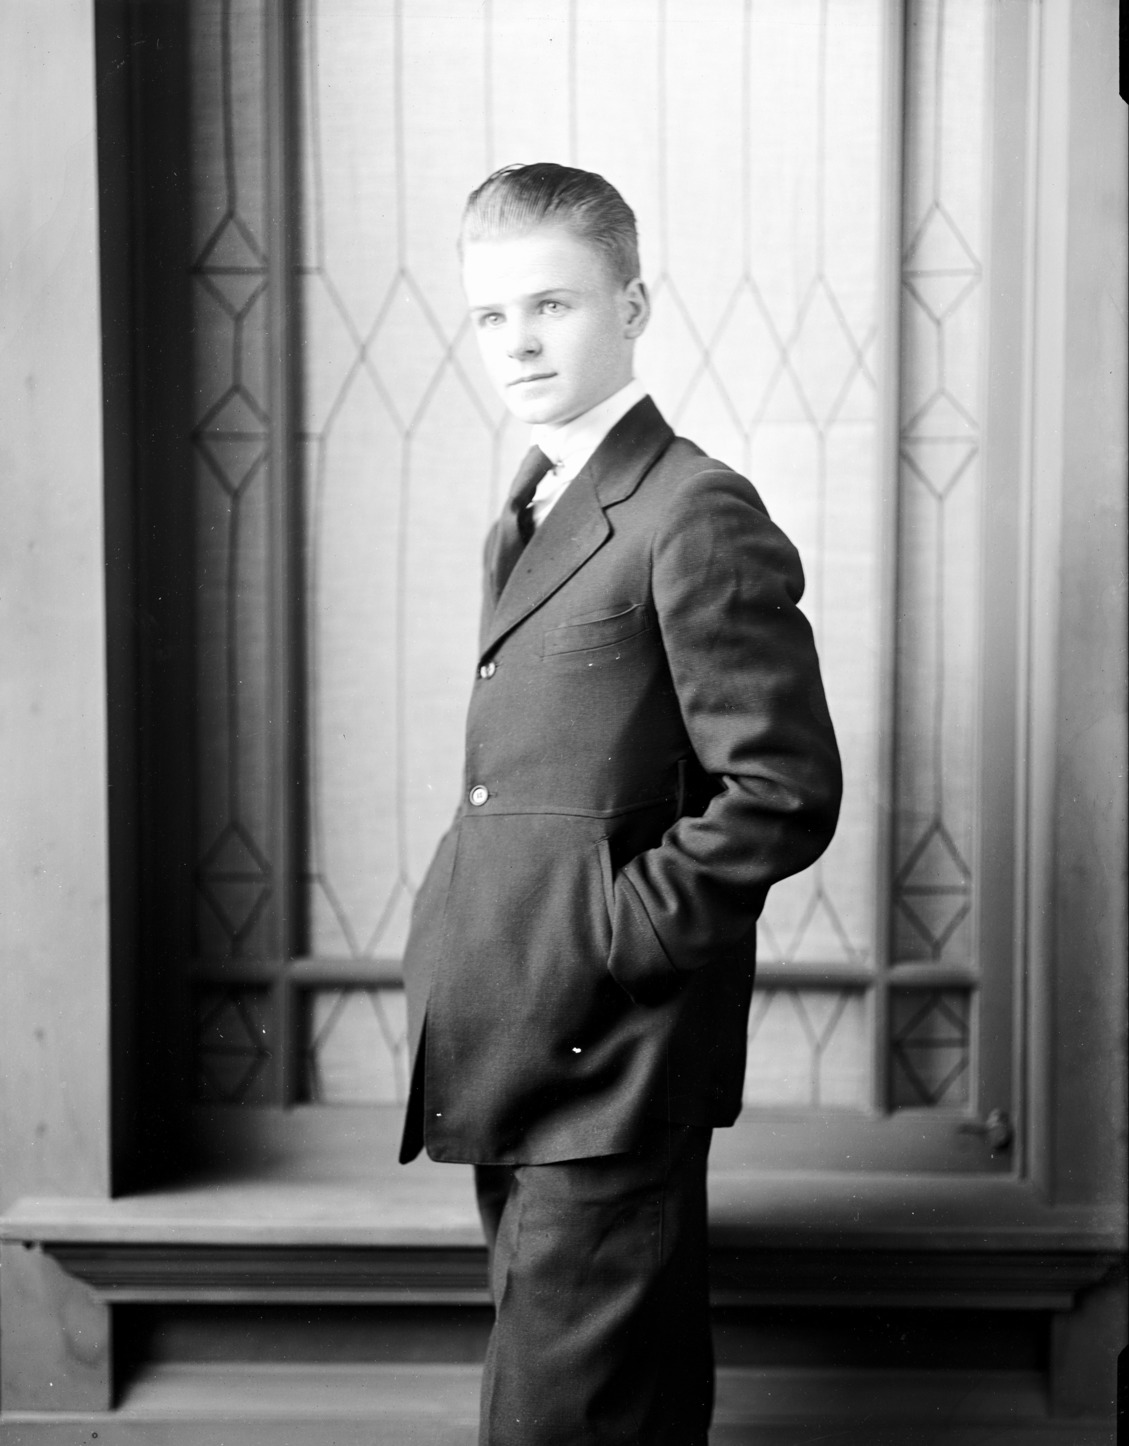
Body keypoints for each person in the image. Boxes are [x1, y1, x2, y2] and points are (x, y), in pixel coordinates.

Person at [398, 162, 842, 1446]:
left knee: (563, 1424)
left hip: (612, 1052)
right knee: (606, 1414)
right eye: (491, 316)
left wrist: (611, 940)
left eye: (553, 305)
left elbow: (781, 789)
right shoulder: (533, 504)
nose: (518, 343)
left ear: (632, 306)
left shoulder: (691, 510)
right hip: (518, 1032)